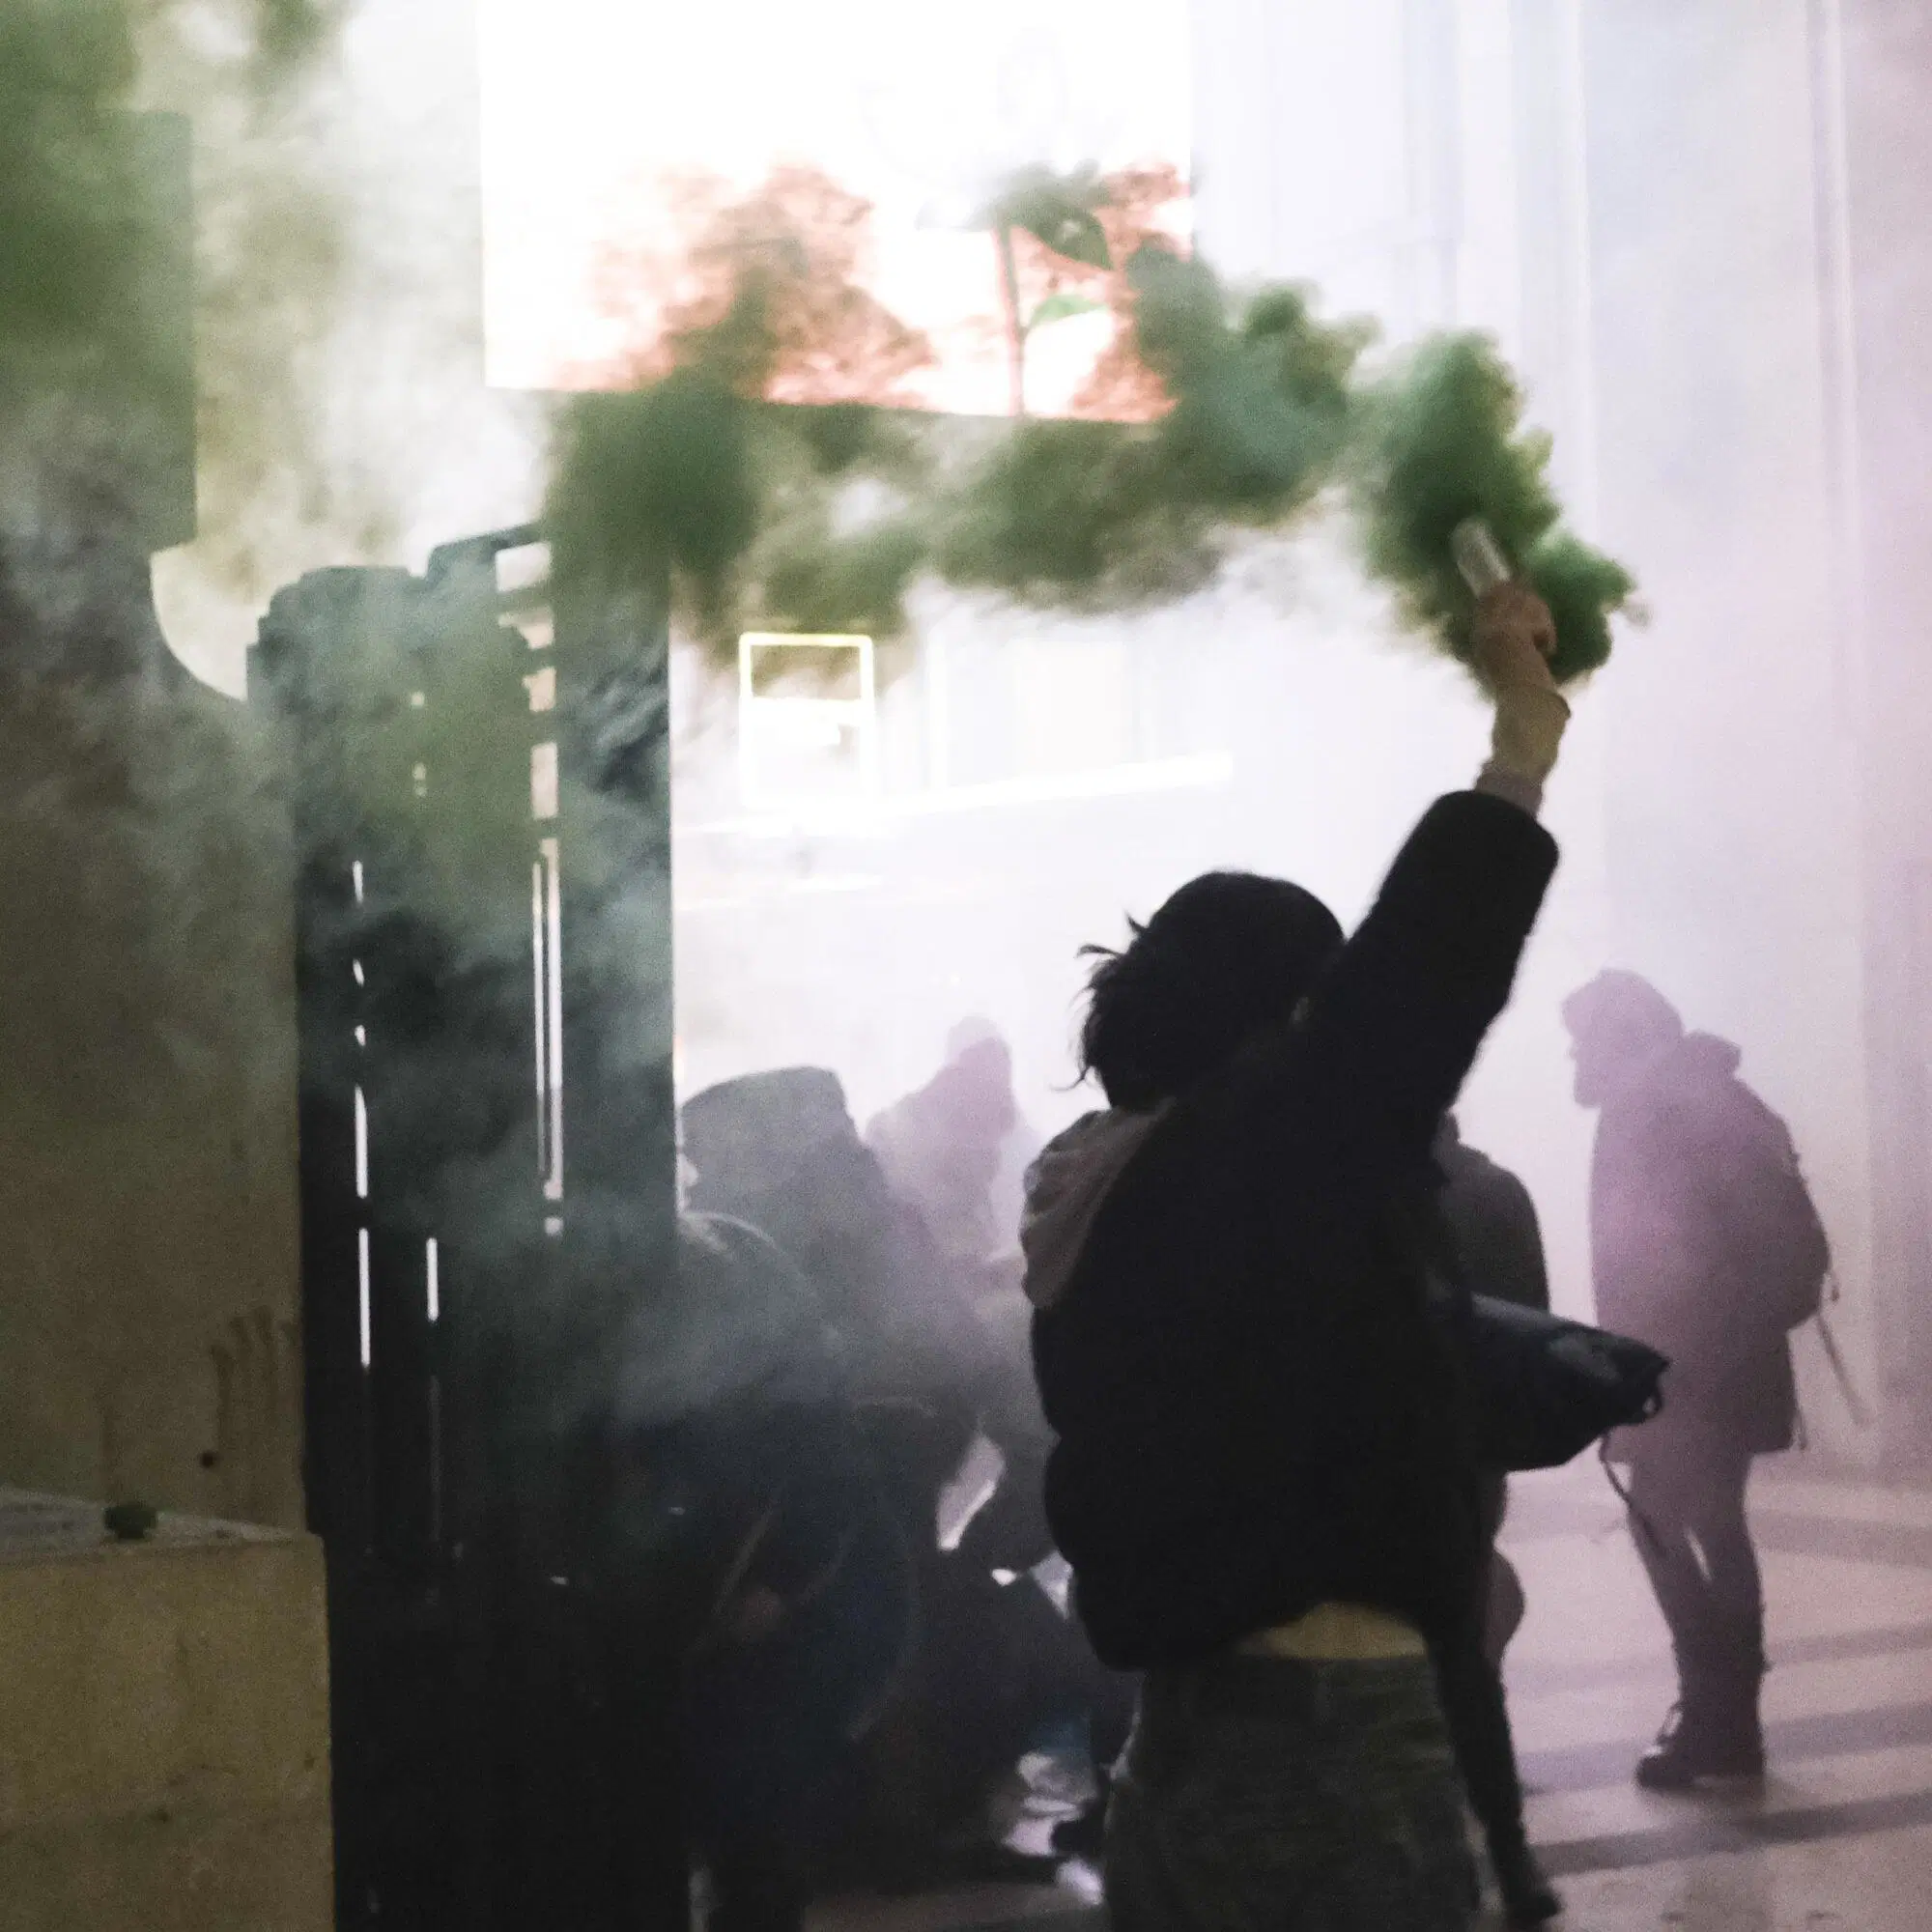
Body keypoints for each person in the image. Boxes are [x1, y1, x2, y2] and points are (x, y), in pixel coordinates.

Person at [1023, 580, 1569, 1931]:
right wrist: (1521, 735)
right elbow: (1425, 963)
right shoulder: (1246, 1160)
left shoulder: (1102, 1186)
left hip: (1191, 1720)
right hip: (1326, 1735)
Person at [607, 1212, 915, 1932]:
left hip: (807, 1614)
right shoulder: (715, 1284)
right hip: (757, 1607)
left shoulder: (761, 1363)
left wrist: (775, 1585)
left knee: (752, 1803)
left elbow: (826, 1488)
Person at [1563, 971, 1828, 1789]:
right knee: (1709, 1523)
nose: (1574, 1058)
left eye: (1582, 1040)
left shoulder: (1661, 1108)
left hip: (1688, 1365)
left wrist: (1660, 1361)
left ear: (1622, 1037)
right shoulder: (1714, 1098)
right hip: (1720, 1360)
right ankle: (1729, 1717)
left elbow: (1664, 1253)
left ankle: (1715, 1710)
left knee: (1663, 1520)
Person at [1427, 1117, 1559, 1924]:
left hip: (1397, 1449)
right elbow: (1531, 1322)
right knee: (1465, 1642)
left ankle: (1480, 1845)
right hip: (1473, 1450)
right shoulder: (1495, 1190)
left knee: (1442, 1639)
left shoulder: (1365, 1190)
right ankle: (1508, 1852)